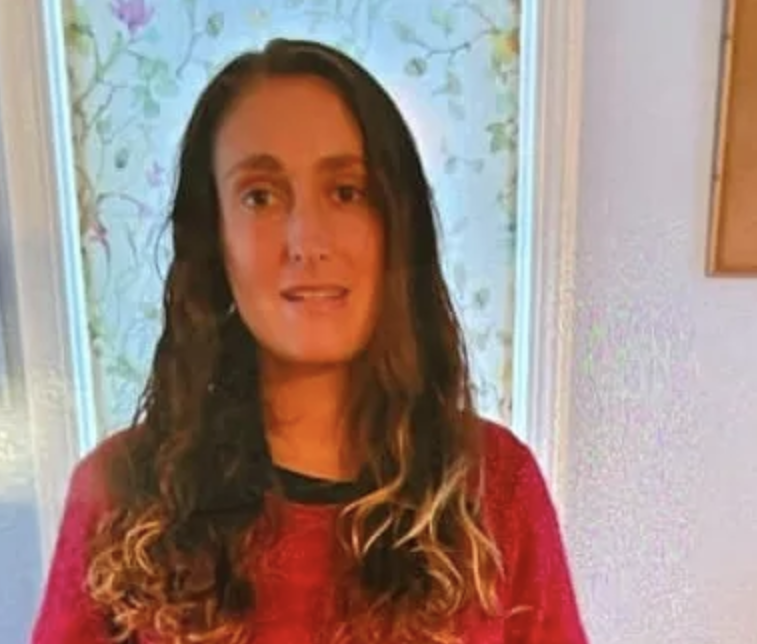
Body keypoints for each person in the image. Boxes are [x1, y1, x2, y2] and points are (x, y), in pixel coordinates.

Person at [31, 38, 588, 644]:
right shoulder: (119, 495)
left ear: (397, 224)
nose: (308, 241)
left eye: (347, 191)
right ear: (215, 239)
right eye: (260, 197)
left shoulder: (494, 488)